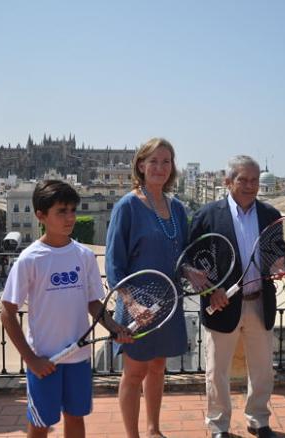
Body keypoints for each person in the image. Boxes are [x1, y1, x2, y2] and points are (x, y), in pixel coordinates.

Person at [1, 180, 132, 438]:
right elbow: (7, 312)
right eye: (62, 211)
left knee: (75, 418)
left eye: (73, 210)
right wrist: (32, 359)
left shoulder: (83, 256)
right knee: (40, 424)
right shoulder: (29, 259)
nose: (70, 217)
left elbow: (94, 303)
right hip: (45, 360)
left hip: (78, 359)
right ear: (41, 215)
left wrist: (115, 328)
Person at [189, 155, 281, 438]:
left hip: (259, 302)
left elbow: (278, 248)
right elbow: (191, 261)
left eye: (254, 180)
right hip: (222, 305)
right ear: (228, 182)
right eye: (242, 179)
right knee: (217, 372)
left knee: (263, 369)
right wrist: (208, 291)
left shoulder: (270, 214)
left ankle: (258, 420)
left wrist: (278, 264)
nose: (250, 185)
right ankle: (218, 426)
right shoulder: (207, 214)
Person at [106, 138, 188, 438]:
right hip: (136, 306)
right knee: (133, 373)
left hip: (167, 304)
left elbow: (183, 255)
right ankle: (133, 436)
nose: (160, 167)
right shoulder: (127, 206)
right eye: (153, 161)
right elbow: (114, 264)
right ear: (141, 165)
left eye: (166, 161)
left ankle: (153, 430)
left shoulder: (177, 207)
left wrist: (193, 271)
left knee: (157, 368)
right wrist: (131, 304)